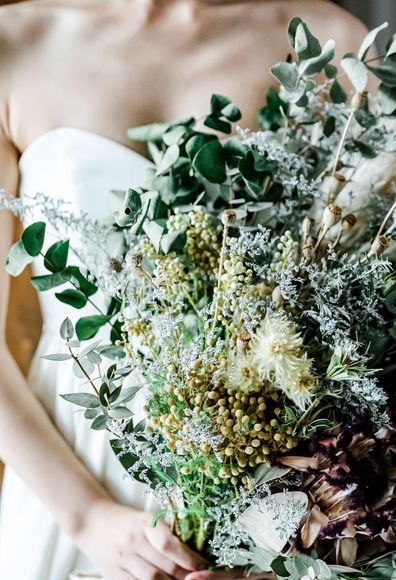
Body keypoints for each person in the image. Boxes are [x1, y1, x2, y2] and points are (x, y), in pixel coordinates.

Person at [0, 1, 369, 579]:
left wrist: (282, 547)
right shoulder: (15, 44)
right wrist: (87, 517)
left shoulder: (329, 40)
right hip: (66, 483)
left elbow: (371, 323)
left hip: (265, 487)